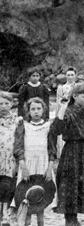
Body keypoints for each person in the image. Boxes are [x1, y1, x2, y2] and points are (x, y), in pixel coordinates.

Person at [51, 84, 84, 226]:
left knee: (82, 183)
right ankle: (69, 219)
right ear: (75, 96)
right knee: (69, 184)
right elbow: (56, 130)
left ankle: (74, 218)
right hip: (72, 150)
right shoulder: (67, 111)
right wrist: (62, 108)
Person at [13, 97, 57, 226]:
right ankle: (26, 223)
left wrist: (49, 168)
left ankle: (41, 223)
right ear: (28, 110)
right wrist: (23, 166)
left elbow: (52, 148)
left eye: (39, 109)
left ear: (43, 110)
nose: (36, 111)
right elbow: (18, 146)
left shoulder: (48, 126)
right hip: (27, 164)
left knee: (41, 194)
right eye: (33, 109)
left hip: (43, 164)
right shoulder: (23, 125)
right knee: (25, 196)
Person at [0, 92, 18, 225]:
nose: (4, 106)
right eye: (0, 104)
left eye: (6, 103)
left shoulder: (17, 120)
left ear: (12, 104)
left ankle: (5, 212)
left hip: (10, 158)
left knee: (7, 186)